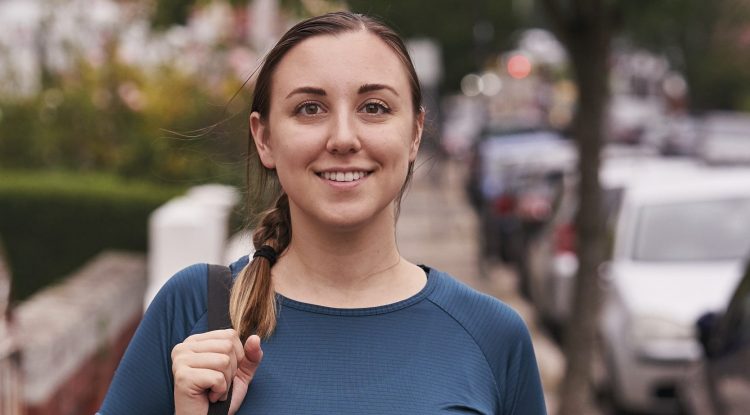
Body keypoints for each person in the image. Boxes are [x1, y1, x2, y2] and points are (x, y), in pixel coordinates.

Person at [98, 11, 546, 415]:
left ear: (414, 134)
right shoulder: (196, 310)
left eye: (374, 108)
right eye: (309, 109)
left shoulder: (492, 336)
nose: (344, 138)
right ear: (265, 138)